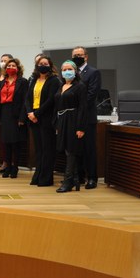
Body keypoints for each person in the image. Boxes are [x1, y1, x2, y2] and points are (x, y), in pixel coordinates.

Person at [25, 56, 60, 186]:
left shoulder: (54, 81)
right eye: (40, 63)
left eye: (45, 63)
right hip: (33, 117)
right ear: (36, 65)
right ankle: (38, 176)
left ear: (50, 66)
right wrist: (30, 112)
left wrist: (36, 114)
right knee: (39, 149)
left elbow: (51, 100)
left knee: (48, 149)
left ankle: (46, 179)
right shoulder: (34, 79)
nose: (43, 65)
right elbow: (28, 97)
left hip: (46, 117)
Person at [54, 60, 87, 193]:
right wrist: (57, 124)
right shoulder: (61, 86)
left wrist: (81, 127)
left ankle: (68, 181)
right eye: (64, 69)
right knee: (66, 150)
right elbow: (57, 106)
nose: (67, 71)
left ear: (75, 71)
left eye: (69, 69)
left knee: (72, 151)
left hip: (74, 120)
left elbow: (83, 108)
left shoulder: (80, 86)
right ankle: (74, 179)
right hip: (62, 120)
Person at [72, 46, 101, 190]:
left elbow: (91, 95)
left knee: (89, 149)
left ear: (86, 57)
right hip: (73, 118)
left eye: (80, 54)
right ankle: (79, 176)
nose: (77, 57)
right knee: (76, 149)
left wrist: (77, 108)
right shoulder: (71, 72)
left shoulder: (93, 72)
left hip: (87, 117)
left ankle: (92, 178)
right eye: (75, 55)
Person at [0, 58, 28, 179]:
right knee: (6, 142)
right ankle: (8, 166)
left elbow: (26, 100)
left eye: (13, 65)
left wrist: (22, 117)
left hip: (16, 114)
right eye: (8, 65)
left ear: (18, 68)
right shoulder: (1, 82)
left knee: (16, 143)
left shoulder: (23, 82)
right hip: (4, 113)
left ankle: (15, 168)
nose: (10, 67)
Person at [0, 53, 14, 173]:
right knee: (2, 140)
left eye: (6, 61)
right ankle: (5, 162)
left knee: (12, 139)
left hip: (11, 112)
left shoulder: (14, 79)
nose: (3, 63)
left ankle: (12, 163)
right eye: (2, 61)